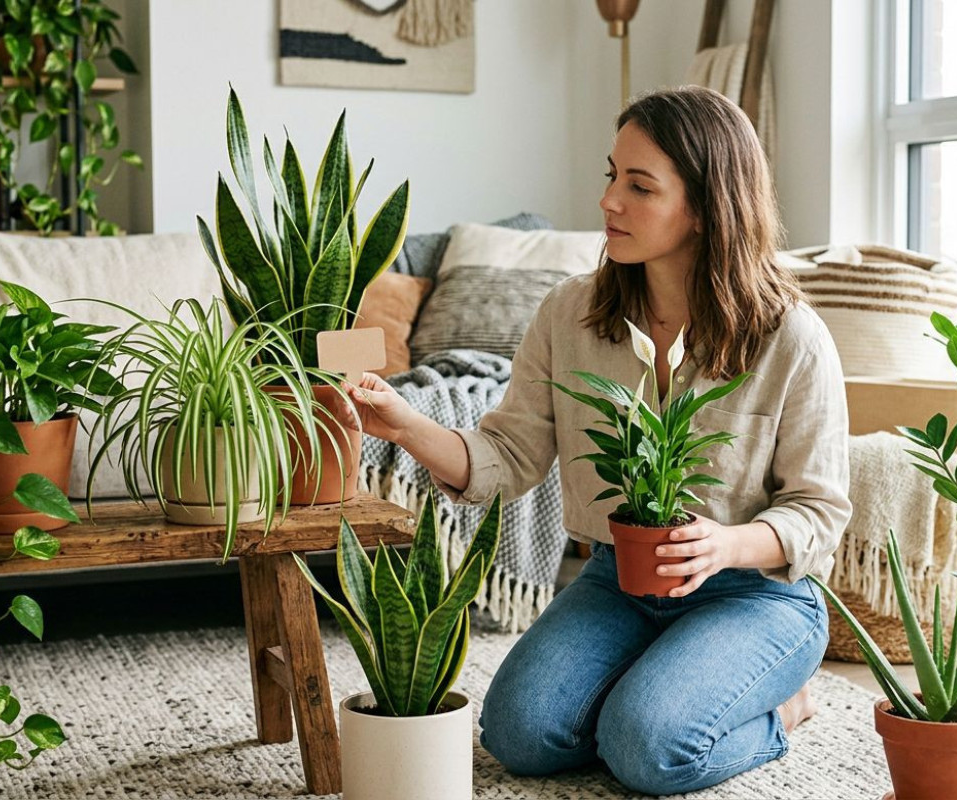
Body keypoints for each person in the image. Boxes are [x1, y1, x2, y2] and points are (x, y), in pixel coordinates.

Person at [342, 86, 851, 796]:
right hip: (619, 580)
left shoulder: (791, 337)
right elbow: (508, 456)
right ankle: (658, 679)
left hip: (754, 595)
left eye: (639, 186)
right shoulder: (571, 313)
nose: (610, 200)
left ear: (705, 207)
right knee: (519, 734)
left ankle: (778, 712)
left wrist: (726, 545)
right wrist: (405, 424)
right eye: (612, 175)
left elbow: (820, 510)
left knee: (647, 751)